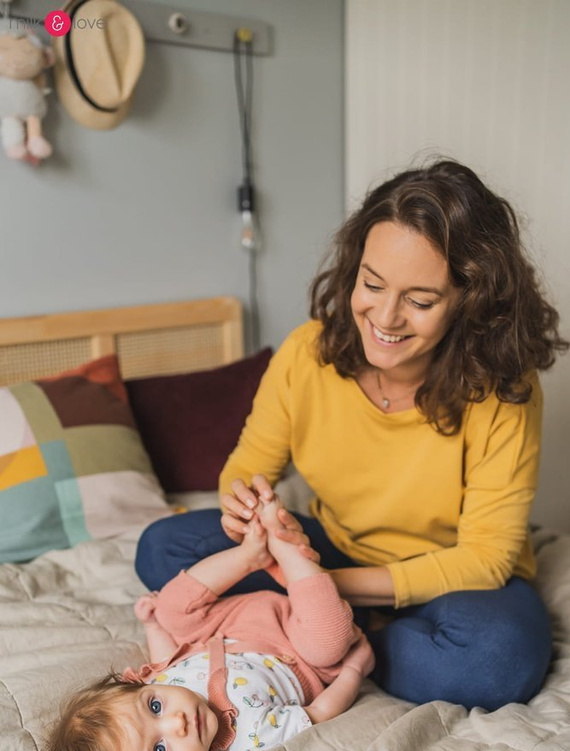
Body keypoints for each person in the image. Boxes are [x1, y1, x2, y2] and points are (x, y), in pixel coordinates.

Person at [136, 158, 568, 712]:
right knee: (161, 548)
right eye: (372, 283)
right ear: (354, 270)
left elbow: (486, 558)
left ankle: (336, 636)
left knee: (495, 663)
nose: (384, 316)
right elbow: (249, 465)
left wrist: (319, 586)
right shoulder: (306, 352)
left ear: (471, 301)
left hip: (446, 575)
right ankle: (324, 626)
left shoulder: (505, 389)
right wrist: (242, 508)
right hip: (326, 548)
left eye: (420, 300)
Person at [33, 497, 374, 751]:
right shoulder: (249, 739)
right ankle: (290, 556)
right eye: (160, 750)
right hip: (300, 652)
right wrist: (355, 671)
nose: (176, 722)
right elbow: (320, 713)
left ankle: (250, 556)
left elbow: (163, 663)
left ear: (142, 688)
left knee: (169, 609)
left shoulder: (165, 684)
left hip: (241, 620)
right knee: (327, 645)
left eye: (154, 706)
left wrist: (153, 625)